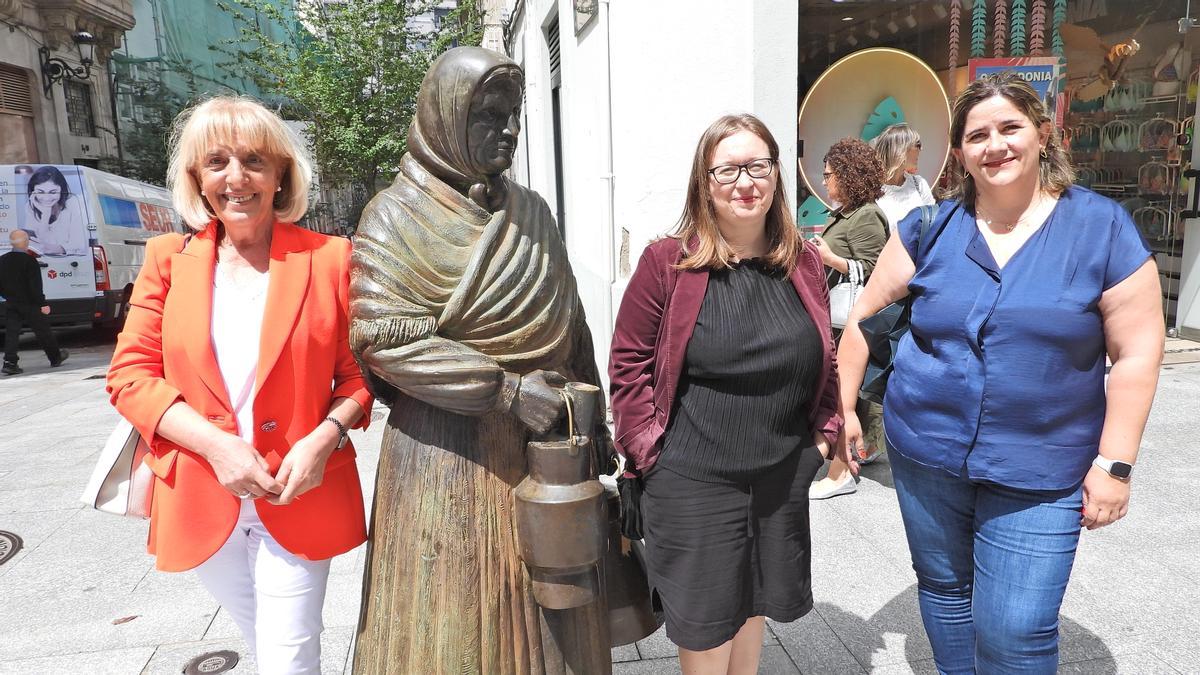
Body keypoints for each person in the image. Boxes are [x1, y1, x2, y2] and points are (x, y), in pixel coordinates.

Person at [837, 73, 1164, 673]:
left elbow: (1138, 352)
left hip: (1042, 465)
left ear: (1043, 134)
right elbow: (864, 318)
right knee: (942, 589)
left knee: (1017, 627)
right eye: (976, 134)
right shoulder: (929, 228)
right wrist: (845, 406)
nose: (995, 145)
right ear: (959, 151)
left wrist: (1115, 463)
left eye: (1010, 128)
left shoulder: (1101, 228)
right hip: (925, 452)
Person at [348, 47, 612, 673]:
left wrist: (592, 417)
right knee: (452, 625)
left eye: (515, 113)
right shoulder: (392, 219)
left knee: (558, 617)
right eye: (490, 114)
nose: (511, 129)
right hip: (444, 454)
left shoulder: (533, 214)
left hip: (545, 449)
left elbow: (571, 324)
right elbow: (386, 341)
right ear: (444, 116)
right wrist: (508, 392)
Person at [107, 96, 373, 674]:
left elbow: (359, 375)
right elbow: (130, 376)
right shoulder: (166, 260)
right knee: (262, 640)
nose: (237, 177)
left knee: (288, 651)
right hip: (202, 492)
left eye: (254, 160)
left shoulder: (330, 258)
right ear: (196, 178)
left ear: (281, 174)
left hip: (299, 488)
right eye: (217, 161)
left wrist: (323, 437)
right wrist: (218, 446)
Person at [609, 113, 843, 674]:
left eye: (757, 165)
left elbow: (824, 353)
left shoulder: (803, 262)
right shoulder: (668, 263)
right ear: (705, 183)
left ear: (775, 174)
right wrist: (647, 450)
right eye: (728, 170)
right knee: (708, 622)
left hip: (779, 473)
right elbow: (628, 362)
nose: (745, 182)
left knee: (756, 603)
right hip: (692, 477)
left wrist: (824, 433)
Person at [808, 137, 889, 500]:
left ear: (847, 175)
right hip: (839, 322)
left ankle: (841, 472)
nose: (825, 182)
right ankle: (848, 455)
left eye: (829, 175)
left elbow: (880, 272)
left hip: (851, 324)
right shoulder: (847, 214)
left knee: (843, 395)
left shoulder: (867, 215)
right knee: (838, 393)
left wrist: (831, 261)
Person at [2, 229, 67, 375]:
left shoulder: (2, 260)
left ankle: (9, 363)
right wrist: (42, 303)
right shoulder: (30, 261)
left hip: (11, 302)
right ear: (26, 242)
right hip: (30, 304)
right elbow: (35, 286)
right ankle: (55, 357)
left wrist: (7, 296)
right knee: (43, 330)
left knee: (12, 333)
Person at [871, 122, 936, 233]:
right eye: (918, 145)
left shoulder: (919, 184)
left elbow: (933, 225)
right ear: (901, 150)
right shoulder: (871, 190)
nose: (922, 149)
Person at [23, 166, 88, 256]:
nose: (46, 198)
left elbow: (80, 245)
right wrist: (45, 216)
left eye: (53, 192)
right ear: (33, 191)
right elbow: (38, 245)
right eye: (40, 192)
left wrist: (57, 248)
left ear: (62, 190)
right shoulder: (31, 207)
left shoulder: (73, 203)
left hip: (73, 262)